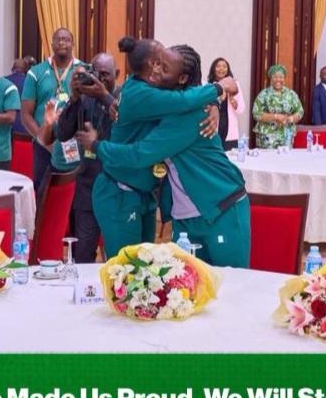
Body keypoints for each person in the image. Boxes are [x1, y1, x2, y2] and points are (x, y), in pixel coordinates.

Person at [79, 44, 250, 268]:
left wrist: (97, 146)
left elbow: (141, 153)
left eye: (164, 68)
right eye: (157, 62)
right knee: (179, 285)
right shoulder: (159, 99)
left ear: (182, 78)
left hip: (219, 206)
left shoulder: (186, 114)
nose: (156, 69)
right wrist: (215, 96)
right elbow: (142, 108)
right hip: (183, 214)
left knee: (230, 283)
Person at [44, 53, 120, 262]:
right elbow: (62, 134)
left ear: (116, 74)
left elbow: (126, 128)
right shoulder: (84, 99)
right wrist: (74, 98)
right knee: (83, 254)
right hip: (87, 188)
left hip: (117, 189)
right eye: (95, 73)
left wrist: (104, 96)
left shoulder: (123, 97)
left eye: (105, 74)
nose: (99, 79)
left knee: (118, 256)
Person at [21, 28, 82, 189]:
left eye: (66, 39)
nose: (62, 42)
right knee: (43, 191)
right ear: (52, 44)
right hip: (43, 146)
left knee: (76, 193)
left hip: (75, 144)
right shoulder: (36, 72)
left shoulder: (83, 70)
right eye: (58, 39)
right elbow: (25, 115)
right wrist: (44, 141)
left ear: (73, 44)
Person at [252, 64, 303, 148]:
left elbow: (300, 111)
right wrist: (275, 116)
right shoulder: (264, 94)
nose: (278, 79)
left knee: (285, 156)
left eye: (281, 77)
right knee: (269, 157)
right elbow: (256, 113)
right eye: (275, 77)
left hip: (286, 135)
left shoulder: (291, 94)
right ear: (271, 78)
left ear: (284, 78)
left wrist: (290, 119)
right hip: (267, 137)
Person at [207, 57, 245, 150]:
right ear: (213, 69)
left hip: (230, 130)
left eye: (224, 66)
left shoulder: (235, 84)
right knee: (215, 155)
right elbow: (206, 109)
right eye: (218, 66)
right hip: (214, 128)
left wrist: (233, 101)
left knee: (231, 156)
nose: (221, 69)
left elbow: (241, 109)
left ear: (228, 69)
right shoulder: (208, 86)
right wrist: (220, 99)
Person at [6, 58, 29, 135]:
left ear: (12, 68)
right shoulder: (29, 82)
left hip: (5, 126)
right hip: (24, 127)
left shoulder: (3, 81)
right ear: (25, 70)